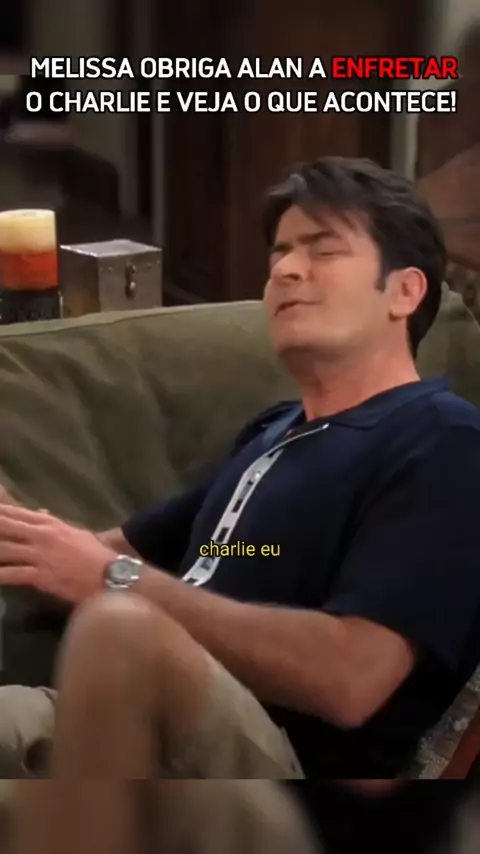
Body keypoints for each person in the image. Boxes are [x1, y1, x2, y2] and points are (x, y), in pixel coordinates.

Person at [0, 156, 480, 784]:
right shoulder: (273, 432)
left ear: (405, 292)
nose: (286, 269)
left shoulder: (444, 440)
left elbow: (352, 679)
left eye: (323, 250)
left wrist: (117, 582)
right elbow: (95, 555)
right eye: (280, 253)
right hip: (127, 707)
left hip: (279, 776)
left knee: (120, 623)